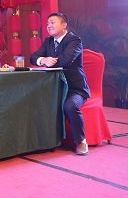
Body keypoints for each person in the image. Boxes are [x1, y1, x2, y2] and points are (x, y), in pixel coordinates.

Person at [30, 12, 90, 155]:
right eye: (47, 23)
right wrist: (42, 60)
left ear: (64, 25)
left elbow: (65, 61)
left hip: (75, 89)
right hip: (54, 89)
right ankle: (45, 141)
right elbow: (33, 57)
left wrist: (48, 61)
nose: (49, 26)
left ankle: (81, 141)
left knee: (70, 106)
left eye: (52, 22)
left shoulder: (74, 40)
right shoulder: (48, 41)